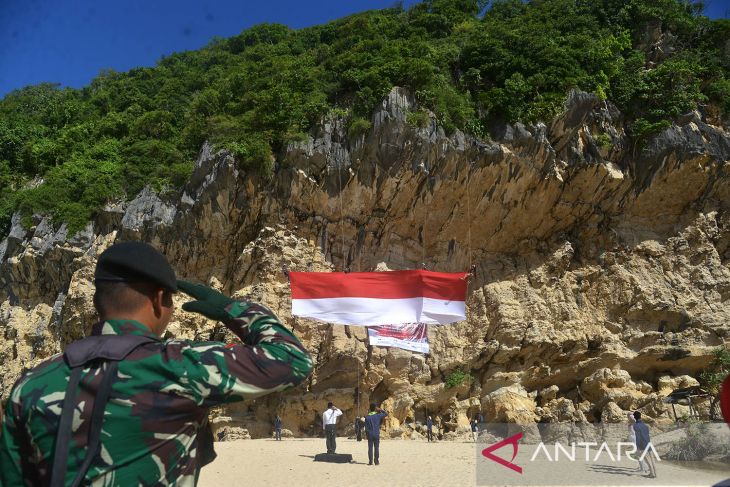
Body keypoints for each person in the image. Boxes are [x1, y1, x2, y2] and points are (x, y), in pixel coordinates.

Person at [0, 241, 313, 486]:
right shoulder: (181, 366)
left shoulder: (30, 386)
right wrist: (232, 309)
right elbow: (293, 359)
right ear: (158, 299)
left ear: (98, 301)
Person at [633, 411, 656, 478]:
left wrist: (638, 446)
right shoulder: (646, 426)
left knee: (646, 459)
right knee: (652, 459)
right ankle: (655, 473)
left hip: (642, 444)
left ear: (635, 417)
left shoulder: (635, 426)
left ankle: (652, 473)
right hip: (648, 443)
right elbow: (647, 435)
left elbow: (638, 437)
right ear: (640, 416)